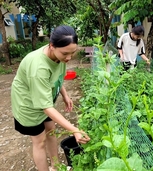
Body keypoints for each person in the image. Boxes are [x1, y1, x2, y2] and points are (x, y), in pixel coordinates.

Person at [11, 25, 90, 171]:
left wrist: (65, 94)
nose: (69, 57)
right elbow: (46, 107)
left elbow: (57, 78)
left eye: (73, 53)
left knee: (51, 131)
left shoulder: (58, 57)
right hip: (28, 105)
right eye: (65, 53)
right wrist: (74, 129)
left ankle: (56, 166)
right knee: (39, 142)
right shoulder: (39, 68)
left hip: (44, 98)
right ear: (51, 46)